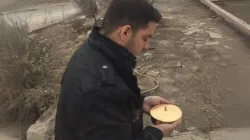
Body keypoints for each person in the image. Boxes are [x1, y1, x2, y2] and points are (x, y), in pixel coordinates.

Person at [55, 0, 181, 140]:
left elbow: (111, 108)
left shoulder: (92, 50)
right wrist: (156, 133)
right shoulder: (102, 89)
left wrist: (140, 102)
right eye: (145, 38)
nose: (147, 46)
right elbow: (107, 99)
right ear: (125, 32)